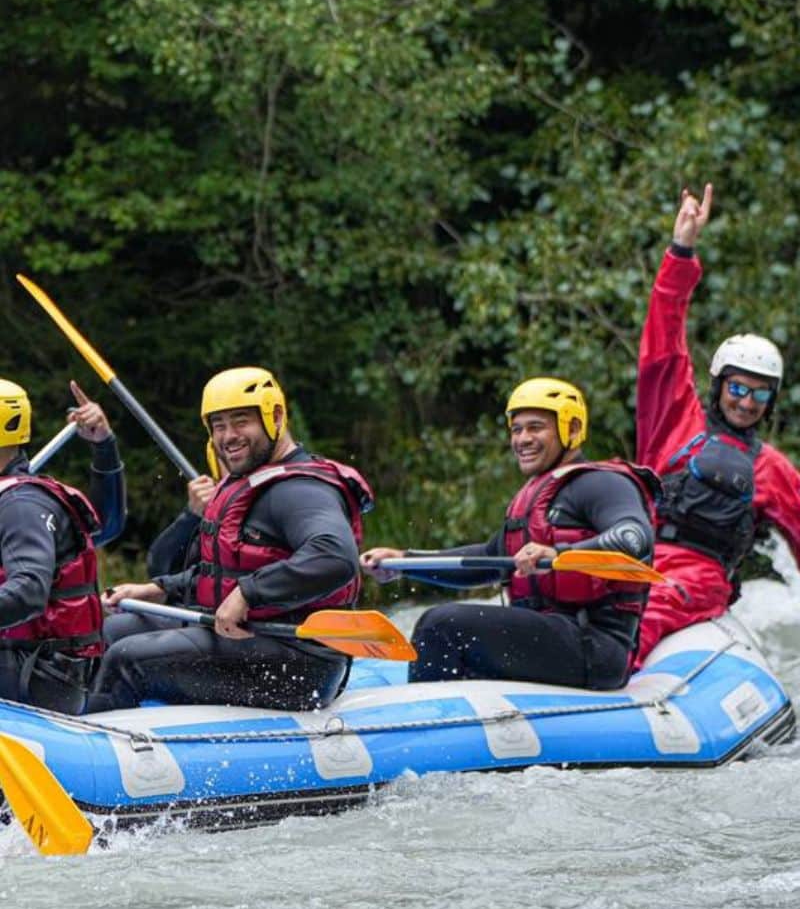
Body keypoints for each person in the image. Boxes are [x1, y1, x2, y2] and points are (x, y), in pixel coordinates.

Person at [93, 366, 374, 711]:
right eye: (219, 425)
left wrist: (248, 593)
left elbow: (335, 557)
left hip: (298, 662)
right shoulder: (249, 481)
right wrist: (160, 588)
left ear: (275, 416)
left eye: (241, 422)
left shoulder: (301, 490)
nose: (228, 436)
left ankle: (91, 752)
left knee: (127, 658)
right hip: (248, 638)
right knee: (114, 631)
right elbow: (230, 570)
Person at [361, 377, 657, 691]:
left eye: (536, 427)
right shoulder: (535, 496)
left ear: (571, 429)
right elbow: (489, 559)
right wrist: (404, 562)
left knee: (441, 625)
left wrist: (558, 554)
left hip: (593, 646)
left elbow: (635, 537)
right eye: (516, 430)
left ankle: (427, 725)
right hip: (549, 638)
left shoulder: (602, 483)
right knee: (446, 629)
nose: (522, 439)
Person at [635, 183, 800, 664]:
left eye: (759, 393)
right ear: (719, 386)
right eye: (738, 388)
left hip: (696, 581)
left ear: (769, 402)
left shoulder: (773, 470)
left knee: (642, 613)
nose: (746, 402)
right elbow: (663, 339)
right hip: (635, 558)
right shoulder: (674, 420)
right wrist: (681, 249)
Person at [0, 378, 126, 713]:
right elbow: (106, 526)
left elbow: (27, 591)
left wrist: (103, 446)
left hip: (36, 674)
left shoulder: (20, 506)